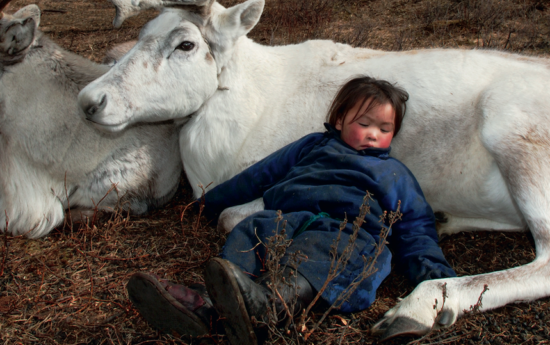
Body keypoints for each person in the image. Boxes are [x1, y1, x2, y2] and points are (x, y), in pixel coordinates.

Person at [127, 77, 456, 344]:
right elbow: (259, 176)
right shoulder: (312, 146)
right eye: (364, 123)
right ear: (339, 119)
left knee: (324, 251)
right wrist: (207, 205)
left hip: (347, 233)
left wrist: (438, 280)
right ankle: (215, 304)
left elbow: (415, 227)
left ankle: (271, 306)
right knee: (252, 229)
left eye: (384, 129)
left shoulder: (393, 173)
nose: (373, 134)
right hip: (287, 219)